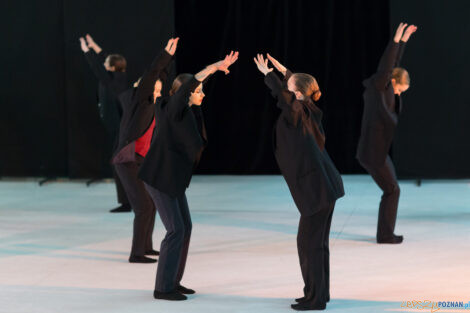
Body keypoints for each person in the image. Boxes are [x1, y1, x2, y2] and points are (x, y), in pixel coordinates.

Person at [138, 50, 239, 301]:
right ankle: (163, 288)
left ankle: (174, 280)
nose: (202, 94)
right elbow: (187, 88)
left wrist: (207, 79)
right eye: (198, 91)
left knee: (185, 227)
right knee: (175, 230)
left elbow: (193, 93)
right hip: (160, 177)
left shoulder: (188, 112)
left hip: (174, 180)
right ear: (183, 95)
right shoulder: (171, 108)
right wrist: (214, 65)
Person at [253, 53, 344, 311]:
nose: (286, 90)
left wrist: (267, 75)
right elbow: (293, 90)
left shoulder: (297, 112)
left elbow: (285, 98)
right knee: (317, 245)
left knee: (309, 244)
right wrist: (284, 72)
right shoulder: (310, 109)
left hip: (317, 190)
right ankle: (319, 294)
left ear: (298, 94)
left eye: (290, 88)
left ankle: (315, 299)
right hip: (326, 188)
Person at [112, 38, 179, 263]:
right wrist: (165, 55)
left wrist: (167, 65)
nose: (159, 90)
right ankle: (136, 254)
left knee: (150, 205)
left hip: (141, 160)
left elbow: (160, 77)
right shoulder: (138, 102)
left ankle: (146, 247)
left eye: (161, 88)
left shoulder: (154, 106)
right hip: (127, 161)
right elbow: (152, 73)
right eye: (155, 88)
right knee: (142, 207)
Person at [356, 23, 418, 244]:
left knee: (393, 189)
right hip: (372, 152)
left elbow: (395, 65)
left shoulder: (388, 87)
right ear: (393, 82)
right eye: (400, 89)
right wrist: (395, 40)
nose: (400, 94)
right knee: (392, 190)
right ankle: (384, 235)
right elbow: (388, 66)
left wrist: (404, 42)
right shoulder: (380, 86)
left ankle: (385, 233)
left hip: (377, 151)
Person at [79, 34, 131, 213]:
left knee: (120, 164)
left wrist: (86, 50)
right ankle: (131, 200)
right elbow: (105, 60)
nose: (104, 64)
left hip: (121, 130)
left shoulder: (111, 81)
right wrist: (94, 45)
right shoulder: (118, 77)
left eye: (107, 63)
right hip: (122, 128)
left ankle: (128, 202)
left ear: (112, 67)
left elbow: (96, 66)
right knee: (122, 164)